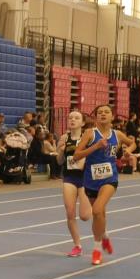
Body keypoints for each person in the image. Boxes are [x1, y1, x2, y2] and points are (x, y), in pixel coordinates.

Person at [72, 104, 136, 266]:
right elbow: (76, 156)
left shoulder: (117, 134)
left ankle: (97, 249)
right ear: (95, 117)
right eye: (100, 112)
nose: (103, 114)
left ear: (112, 116)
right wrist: (96, 146)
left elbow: (132, 143)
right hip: (91, 179)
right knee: (99, 215)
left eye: (106, 112)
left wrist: (128, 151)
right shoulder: (90, 133)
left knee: (97, 210)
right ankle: (105, 236)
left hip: (110, 178)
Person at [57, 110, 92, 258]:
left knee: (84, 216)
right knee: (70, 213)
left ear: (83, 122)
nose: (72, 120)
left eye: (76, 118)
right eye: (70, 117)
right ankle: (77, 245)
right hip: (69, 178)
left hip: (85, 178)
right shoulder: (64, 138)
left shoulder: (88, 138)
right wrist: (60, 150)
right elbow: (59, 161)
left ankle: (96, 205)